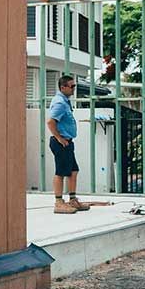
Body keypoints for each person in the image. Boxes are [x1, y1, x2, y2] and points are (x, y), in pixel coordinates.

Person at [47, 74, 90, 214]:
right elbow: (51, 122)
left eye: (74, 86)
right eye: (72, 86)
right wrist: (59, 138)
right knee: (61, 172)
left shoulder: (65, 101)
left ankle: (72, 199)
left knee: (73, 170)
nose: (74, 89)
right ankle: (59, 202)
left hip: (67, 142)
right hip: (61, 142)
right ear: (63, 87)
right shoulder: (59, 103)